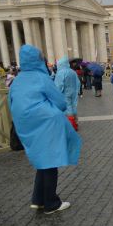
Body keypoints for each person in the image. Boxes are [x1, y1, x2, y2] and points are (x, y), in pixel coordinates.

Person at [9, 45, 81, 214]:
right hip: (46, 124)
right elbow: (61, 103)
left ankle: (38, 199)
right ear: (38, 60)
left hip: (26, 127)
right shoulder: (42, 78)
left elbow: (10, 103)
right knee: (49, 162)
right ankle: (51, 203)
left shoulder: (16, 81)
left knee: (42, 161)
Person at [54, 56, 80, 130]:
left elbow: (58, 85)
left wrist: (57, 93)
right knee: (73, 106)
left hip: (65, 93)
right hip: (73, 92)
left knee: (68, 108)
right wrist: (77, 91)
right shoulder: (72, 72)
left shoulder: (60, 73)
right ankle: (75, 122)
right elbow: (78, 82)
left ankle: (71, 124)